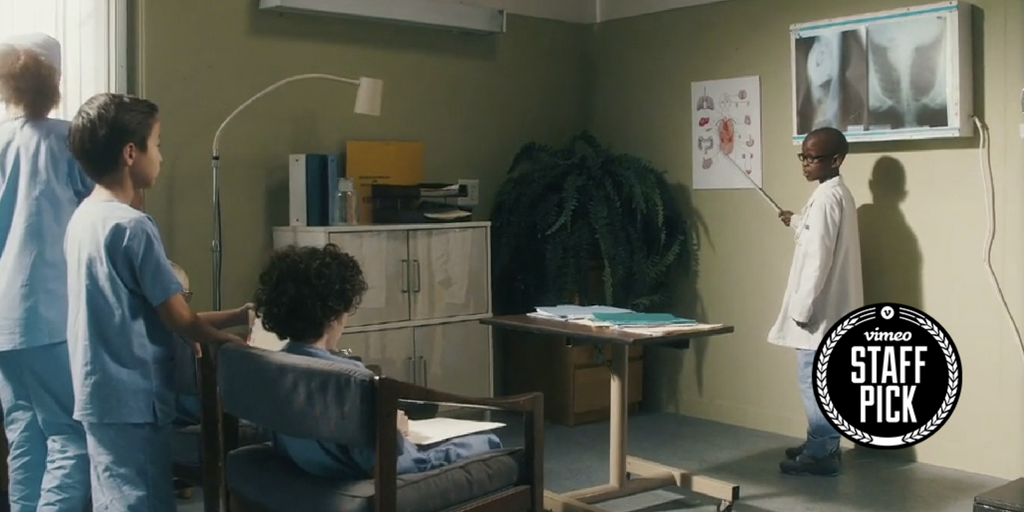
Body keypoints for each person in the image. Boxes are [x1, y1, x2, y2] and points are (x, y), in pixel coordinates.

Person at [64, 92, 248, 511]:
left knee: (114, 497)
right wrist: (229, 340)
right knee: (142, 498)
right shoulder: (133, 227)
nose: (161, 156)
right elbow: (180, 319)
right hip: (133, 396)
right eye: (157, 144)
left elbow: (147, 309)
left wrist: (236, 314)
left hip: (97, 391)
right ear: (131, 153)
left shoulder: (84, 218)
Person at [252, 243, 503, 480]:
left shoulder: (274, 366)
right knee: (488, 441)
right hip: (379, 472)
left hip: (315, 466)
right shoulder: (351, 379)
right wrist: (392, 428)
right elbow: (385, 460)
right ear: (335, 315)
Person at [0, 32, 93, 512]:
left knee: (24, 435)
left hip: (5, 320)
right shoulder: (69, 141)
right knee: (70, 434)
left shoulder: (2, 141)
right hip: (49, 312)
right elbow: (100, 212)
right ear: (55, 79)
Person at [768, 126, 863, 477]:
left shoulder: (826, 199)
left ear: (836, 159)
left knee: (813, 381)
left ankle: (821, 452)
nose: (805, 164)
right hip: (833, 310)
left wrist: (802, 308)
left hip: (819, 312)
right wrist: (796, 221)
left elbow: (818, 259)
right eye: (803, 157)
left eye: (813, 158)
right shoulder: (836, 194)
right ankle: (820, 443)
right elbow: (819, 235)